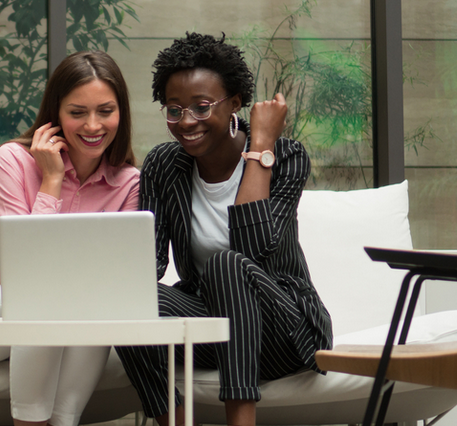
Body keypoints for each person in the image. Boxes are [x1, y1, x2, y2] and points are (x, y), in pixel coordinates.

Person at [115, 33, 333, 426]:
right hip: (215, 330)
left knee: (226, 264)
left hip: (284, 332)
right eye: (174, 110)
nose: (186, 123)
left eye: (201, 107)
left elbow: (252, 250)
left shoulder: (286, 157)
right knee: (125, 302)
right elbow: (146, 267)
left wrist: (261, 146)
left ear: (235, 103)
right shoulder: (165, 165)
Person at [0, 50, 140, 426]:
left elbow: (115, 280)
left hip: (54, 326)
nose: (93, 125)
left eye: (105, 111)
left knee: (91, 301)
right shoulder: (12, 160)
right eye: (77, 112)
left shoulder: (128, 183)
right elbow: (24, 270)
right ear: (55, 114)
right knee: (45, 292)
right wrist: (52, 181)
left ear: (121, 112)